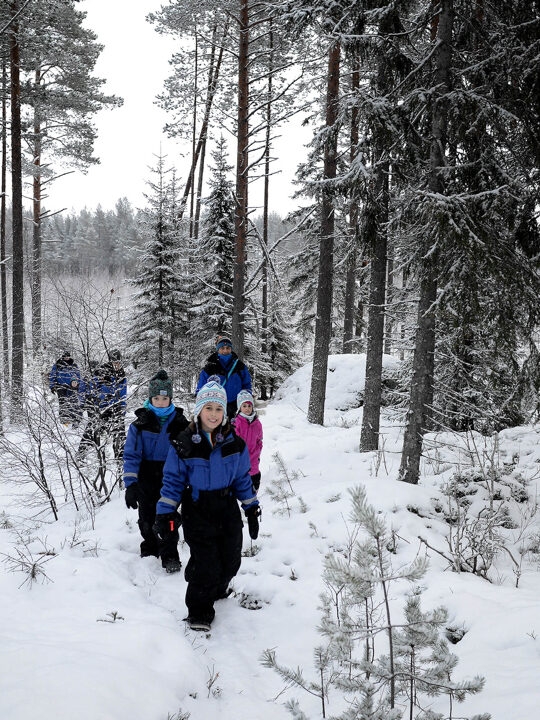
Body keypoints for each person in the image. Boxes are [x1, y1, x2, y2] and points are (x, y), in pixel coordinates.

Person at [153, 379, 261, 632]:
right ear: (198, 410)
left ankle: (216, 586)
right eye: (208, 408)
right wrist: (165, 512)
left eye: (219, 409)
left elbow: (242, 478)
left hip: (226, 506)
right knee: (206, 563)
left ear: (225, 412)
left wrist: (251, 507)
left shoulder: (235, 443)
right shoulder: (183, 443)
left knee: (231, 559)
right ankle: (199, 611)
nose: (213, 414)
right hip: (197, 506)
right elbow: (172, 481)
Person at [123, 370, 188, 573]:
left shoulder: (180, 424)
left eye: (165, 398)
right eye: (157, 398)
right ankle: (150, 547)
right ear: (150, 399)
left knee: (167, 517)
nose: (161, 402)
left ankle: (169, 554)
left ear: (170, 399)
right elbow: (131, 454)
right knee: (147, 516)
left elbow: (189, 454)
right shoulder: (140, 424)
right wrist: (131, 483)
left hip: (171, 477)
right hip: (146, 476)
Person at [79, 349, 127, 460]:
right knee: (91, 430)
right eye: (114, 362)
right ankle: (81, 454)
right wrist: (103, 397)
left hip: (117, 408)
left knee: (119, 434)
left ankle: (120, 459)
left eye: (118, 363)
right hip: (103, 408)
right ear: (110, 362)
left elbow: (123, 394)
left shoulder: (122, 376)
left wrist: (122, 411)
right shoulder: (102, 373)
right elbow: (93, 388)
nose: (116, 365)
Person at [196, 335, 252, 420]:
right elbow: (202, 387)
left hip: (236, 405)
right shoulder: (210, 366)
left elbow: (246, 384)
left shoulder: (239, 365)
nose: (225, 350)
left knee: (236, 431)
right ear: (218, 349)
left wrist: (246, 399)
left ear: (231, 349)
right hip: (215, 406)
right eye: (222, 348)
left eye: (228, 348)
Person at [232, 389, 263, 491]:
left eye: (249, 406)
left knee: (254, 479)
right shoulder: (237, 422)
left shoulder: (257, 423)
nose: (247, 408)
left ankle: (254, 494)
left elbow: (259, 440)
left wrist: (257, 451)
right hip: (241, 458)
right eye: (244, 406)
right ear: (239, 407)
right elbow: (234, 440)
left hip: (254, 457)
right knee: (241, 480)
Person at [49, 349, 82, 426]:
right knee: (63, 403)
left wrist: (77, 384)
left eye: (68, 356)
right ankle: (64, 420)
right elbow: (52, 376)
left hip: (71, 387)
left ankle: (74, 419)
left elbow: (78, 376)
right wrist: (52, 386)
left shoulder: (74, 365)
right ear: (63, 357)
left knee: (73, 402)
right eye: (65, 356)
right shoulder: (58, 365)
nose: (67, 358)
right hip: (60, 386)